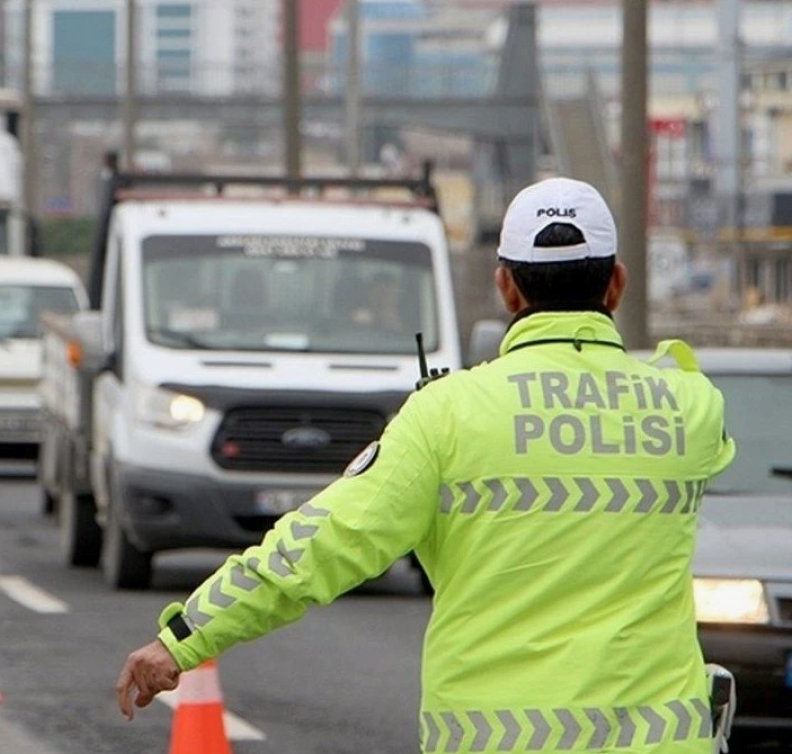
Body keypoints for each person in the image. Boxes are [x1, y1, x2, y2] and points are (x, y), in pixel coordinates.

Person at [115, 177, 736, 754]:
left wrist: (185, 637)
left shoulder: (447, 414)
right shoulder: (690, 406)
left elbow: (316, 546)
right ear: (617, 284)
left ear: (507, 288)